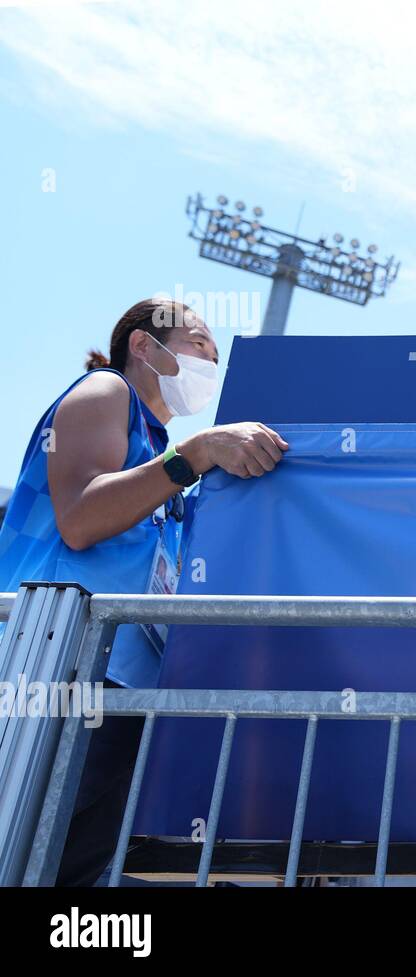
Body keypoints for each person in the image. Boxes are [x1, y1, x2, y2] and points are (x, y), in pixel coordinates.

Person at [0, 298, 289, 885]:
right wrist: (199, 452)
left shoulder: (159, 465)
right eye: (199, 340)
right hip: (52, 671)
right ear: (142, 346)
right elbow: (80, 520)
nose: (211, 357)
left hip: (120, 691)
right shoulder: (105, 393)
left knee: (64, 871)